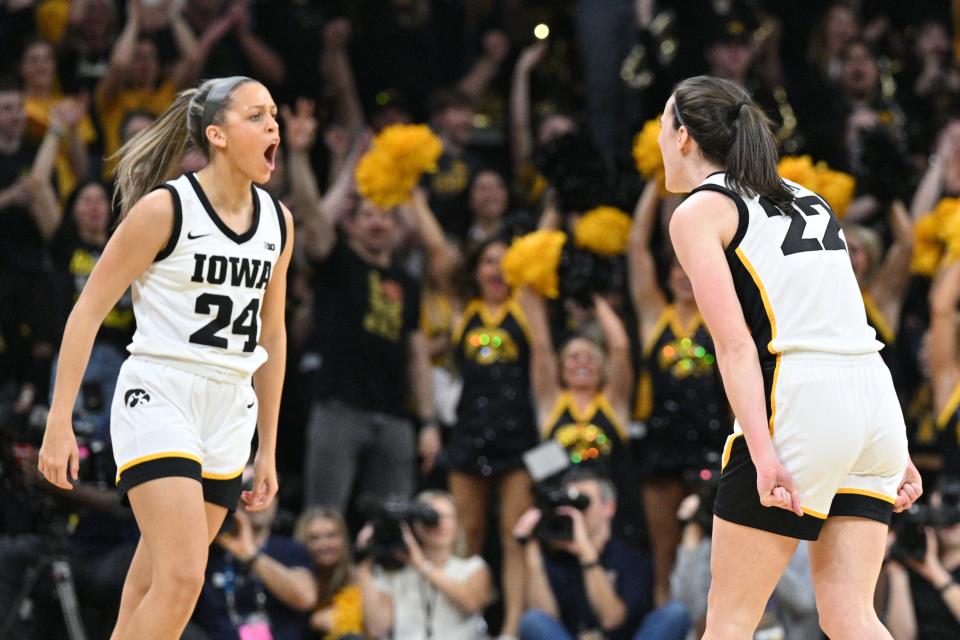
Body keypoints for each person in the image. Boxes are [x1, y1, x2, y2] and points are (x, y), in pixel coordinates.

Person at [661, 74, 921, 639]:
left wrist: (762, 452)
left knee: (730, 620)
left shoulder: (699, 211)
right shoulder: (809, 197)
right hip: (871, 398)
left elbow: (733, 347)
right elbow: (852, 325)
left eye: (662, 124)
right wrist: (891, 444)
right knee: (852, 615)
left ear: (682, 136)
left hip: (800, 399)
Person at [37, 75, 294, 640]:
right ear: (217, 135)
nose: (274, 125)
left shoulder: (279, 221)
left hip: (230, 410)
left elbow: (270, 337)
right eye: (256, 116)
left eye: (274, 114)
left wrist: (267, 447)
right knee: (182, 580)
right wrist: (59, 421)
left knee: (151, 584)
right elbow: (86, 313)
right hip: (161, 394)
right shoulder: (166, 208)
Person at [628, 177, 729, 606]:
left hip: (711, 441)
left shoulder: (719, 312)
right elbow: (636, 248)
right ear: (668, 275)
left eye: (692, 268)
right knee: (665, 552)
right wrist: (655, 179)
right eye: (676, 269)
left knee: (713, 551)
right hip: (663, 443)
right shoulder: (656, 316)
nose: (684, 276)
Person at [446, 238, 538, 637]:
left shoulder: (526, 308)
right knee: (467, 534)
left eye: (504, 262)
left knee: (514, 534)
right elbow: (440, 253)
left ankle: (513, 626)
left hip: (518, 436)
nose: (496, 270)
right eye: (487, 261)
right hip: (468, 431)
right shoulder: (461, 313)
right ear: (475, 270)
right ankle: (465, 621)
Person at [512, 468, 689, 640]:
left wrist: (587, 555)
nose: (576, 513)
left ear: (609, 507)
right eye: (569, 505)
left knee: (674, 614)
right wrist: (531, 550)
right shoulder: (556, 555)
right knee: (532, 621)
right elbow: (544, 616)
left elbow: (612, 620)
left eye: (583, 503)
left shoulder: (631, 556)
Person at [357, 490, 493, 640]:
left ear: (457, 524)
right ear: (415, 525)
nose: (438, 523)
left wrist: (421, 565)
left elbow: (471, 603)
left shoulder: (472, 567)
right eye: (429, 516)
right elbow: (377, 628)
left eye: (446, 517)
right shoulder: (396, 572)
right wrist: (365, 561)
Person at [193, 479, 319, 640]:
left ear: (276, 501)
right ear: (235, 503)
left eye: (264, 494)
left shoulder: (290, 549)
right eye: (248, 494)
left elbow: (306, 598)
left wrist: (251, 555)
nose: (257, 500)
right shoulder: (210, 550)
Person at [294, 508, 365, 640]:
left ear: (343, 539)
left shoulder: (359, 579)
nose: (324, 545)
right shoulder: (293, 580)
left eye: (331, 535)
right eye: (314, 538)